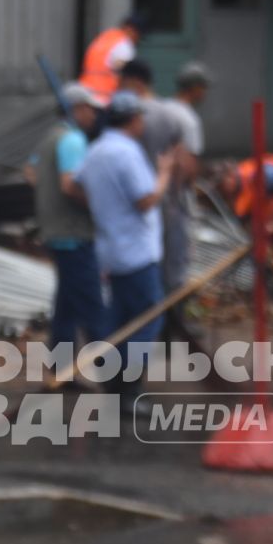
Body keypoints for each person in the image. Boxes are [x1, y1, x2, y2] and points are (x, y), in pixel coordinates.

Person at [76, 91, 173, 406]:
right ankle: (128, 390)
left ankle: (113, 385)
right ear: (133, 119)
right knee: (147, 321)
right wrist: (164, 175)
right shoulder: (127, 153)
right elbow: (144, 199)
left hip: (109, 248)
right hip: (136, 252)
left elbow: (77, 186)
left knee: (118, 322)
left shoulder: (96, 151)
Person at [32, 82, 108, 350]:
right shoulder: (73, 140)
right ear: (76, 109)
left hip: (55, 231)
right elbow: (69, 185)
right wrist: (98, 206)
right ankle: (118, 378)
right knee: (93, 308)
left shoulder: (49, 138)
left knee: (66, 306)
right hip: (74, 234)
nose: (94, 115)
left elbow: (31, 173)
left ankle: (60, 371)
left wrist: (47, 198)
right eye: (90, 109)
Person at [152, 63, 211, 308]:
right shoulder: (188, 119)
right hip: (176, 195)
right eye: (203, 88)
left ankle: (157, 307)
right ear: (195, 88)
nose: (205, 94)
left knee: (158, 253)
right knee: (178, 255)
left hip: (156, 190)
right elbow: (190, 163)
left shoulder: (162, 108)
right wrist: (192, 191)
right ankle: (174, 312)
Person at [80, 12, 145, 100]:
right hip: (104, 95)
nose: (137, 40)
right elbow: (122, 67)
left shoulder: (105, 37)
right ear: (133, 31)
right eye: (139, 35)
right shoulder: (124, 44)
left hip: (85, 90)